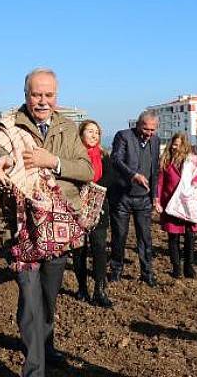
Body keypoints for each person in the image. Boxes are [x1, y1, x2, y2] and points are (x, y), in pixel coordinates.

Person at [0, 68, 93, 376]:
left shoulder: (68, 128)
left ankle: (45, 345)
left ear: (56, 96)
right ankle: (35, 369)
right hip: (23, 229)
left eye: (48, 95)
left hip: (59, 228)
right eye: (36, 94)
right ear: (25, 95)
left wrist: (52, 162)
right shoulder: (9, 124)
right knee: (31, 298)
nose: (42, 101)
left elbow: (87, 170)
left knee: (48, 296)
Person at [109, 109, 161, 287]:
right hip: (122, 196)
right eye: (146, 129)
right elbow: (115, 159)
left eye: (153, 130)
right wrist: (133, 175)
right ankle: (116, 271)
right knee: (119, 236)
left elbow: (155, 170)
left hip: (144, 199)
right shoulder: (123, 136)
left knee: (145, 238)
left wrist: (155, 196)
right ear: (138, 125)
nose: (149, 133)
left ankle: (147, 273)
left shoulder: (155, 141)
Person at [72, 119, 113, 308]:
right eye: (90, 131)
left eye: (97, 132)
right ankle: (82, 287)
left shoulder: (104, 156)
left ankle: (99, 289)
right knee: (79, 250)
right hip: (77, 208)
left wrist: (93, 189)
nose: (94, 135)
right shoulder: (74, 156)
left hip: (99, 208)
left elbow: (109, 178)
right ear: (81, 134)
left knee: (99, 248)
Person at [156, 133, 197, 279]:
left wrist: (195, 183)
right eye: (173, 144)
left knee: (190, 236)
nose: (175, 147)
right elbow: (160, 183)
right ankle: (176, 268)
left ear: (184, 146)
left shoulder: (192, 161)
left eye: (178, 145)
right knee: (173, 237)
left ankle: (189, 267)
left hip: (187, 204)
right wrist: (158, 200)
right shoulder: (165, 162)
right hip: (171, 205)